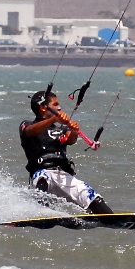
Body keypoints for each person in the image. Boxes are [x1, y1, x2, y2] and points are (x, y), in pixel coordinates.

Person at [19, 86, 113, 215]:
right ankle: (39, 213)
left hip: (63, 176)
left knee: (90, 195)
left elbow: (71, 140)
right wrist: (54, 119)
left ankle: (110, 218)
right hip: (42, 173)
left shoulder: (61, 129)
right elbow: (31, 131)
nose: (59, 108)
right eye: (55, 104)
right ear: (43, 107)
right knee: (42, 177)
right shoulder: (27, 124)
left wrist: (73, 130)